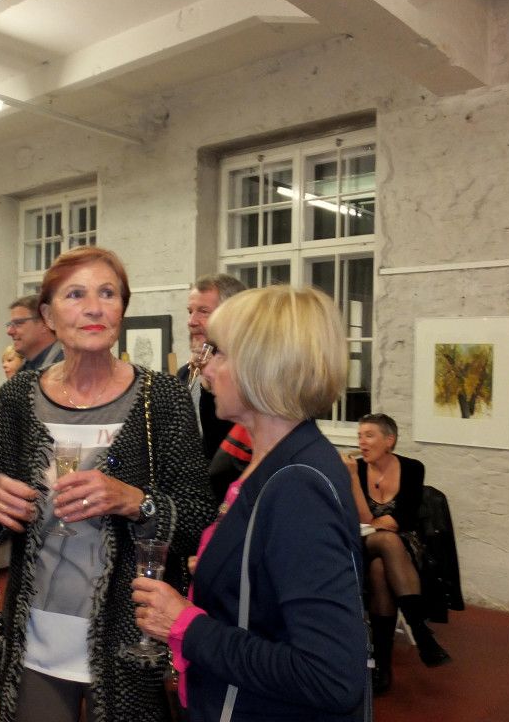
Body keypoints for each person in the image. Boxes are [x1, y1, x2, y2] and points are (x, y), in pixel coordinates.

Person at [0, 246, 215, 722]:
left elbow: (198, 519)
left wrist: (136, 502)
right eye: (76, 295)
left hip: (131, 639)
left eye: (108, 294)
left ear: (122, 309)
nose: (94, 308)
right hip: (37, 635)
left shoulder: (162, 398)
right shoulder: (16, 398)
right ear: (48, 315)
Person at [133, 286, 368, 722]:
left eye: (219, 353)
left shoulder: (298, 485)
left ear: (261, 366)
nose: (206, 367)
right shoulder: (272, 462)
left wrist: (185, 626)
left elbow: (331, 676)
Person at [347, 413, 450, 695]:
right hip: (364, 544)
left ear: (389, 440)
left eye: (369, 435)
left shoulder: (413, 468)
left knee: (381, 568)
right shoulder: (355, 469)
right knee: (385, 542)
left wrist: (379, 524)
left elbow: (400, 521)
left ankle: (382, 666)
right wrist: (353, 479)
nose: (362, 442)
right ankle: (420, 631)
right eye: (359, 436)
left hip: (402, 546)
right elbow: (365, 521)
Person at [175, 275, 246, 461]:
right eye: (190, 311)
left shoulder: (248, 378)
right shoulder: (185, 374)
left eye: (203, 312)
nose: (191, 321)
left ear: (233, 317)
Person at [7, 294, 64, 371]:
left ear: (45, 324)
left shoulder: (68, 367)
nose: (9, 331)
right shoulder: (25, 369)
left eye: (18, 323)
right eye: (10, 324)